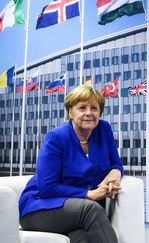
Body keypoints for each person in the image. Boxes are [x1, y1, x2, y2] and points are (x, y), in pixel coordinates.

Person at [19, 85, 124, 243]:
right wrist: (89, 195)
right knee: (91, 209)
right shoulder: (56, 137)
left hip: (73, 211)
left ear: (100, 112)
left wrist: (115, 173)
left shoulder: (103, 129)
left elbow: (116, 164)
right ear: (70, 112)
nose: (89, 113)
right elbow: (47, 188)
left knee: (81, 237)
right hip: (40, 207)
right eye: (82, 108)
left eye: (94, 108)